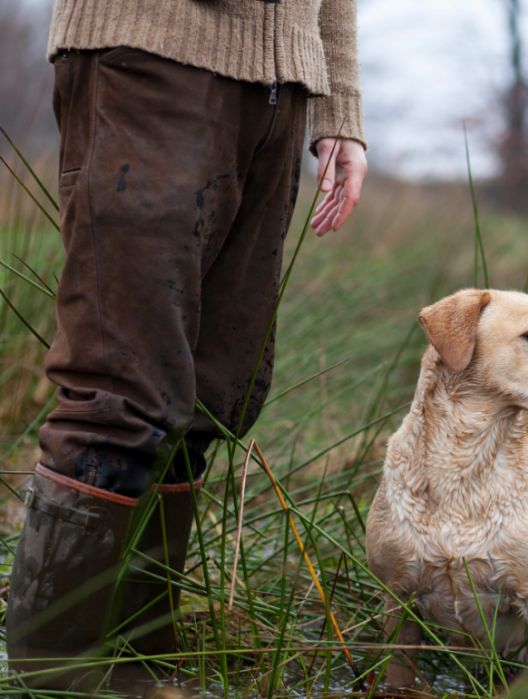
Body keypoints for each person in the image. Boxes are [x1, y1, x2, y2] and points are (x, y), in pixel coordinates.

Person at [5, 0, 367, 690]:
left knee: (209, 396)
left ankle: (141, 666)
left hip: (277, 89)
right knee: (121, 388)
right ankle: (55, 676)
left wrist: (338, 107)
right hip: (151, 58)